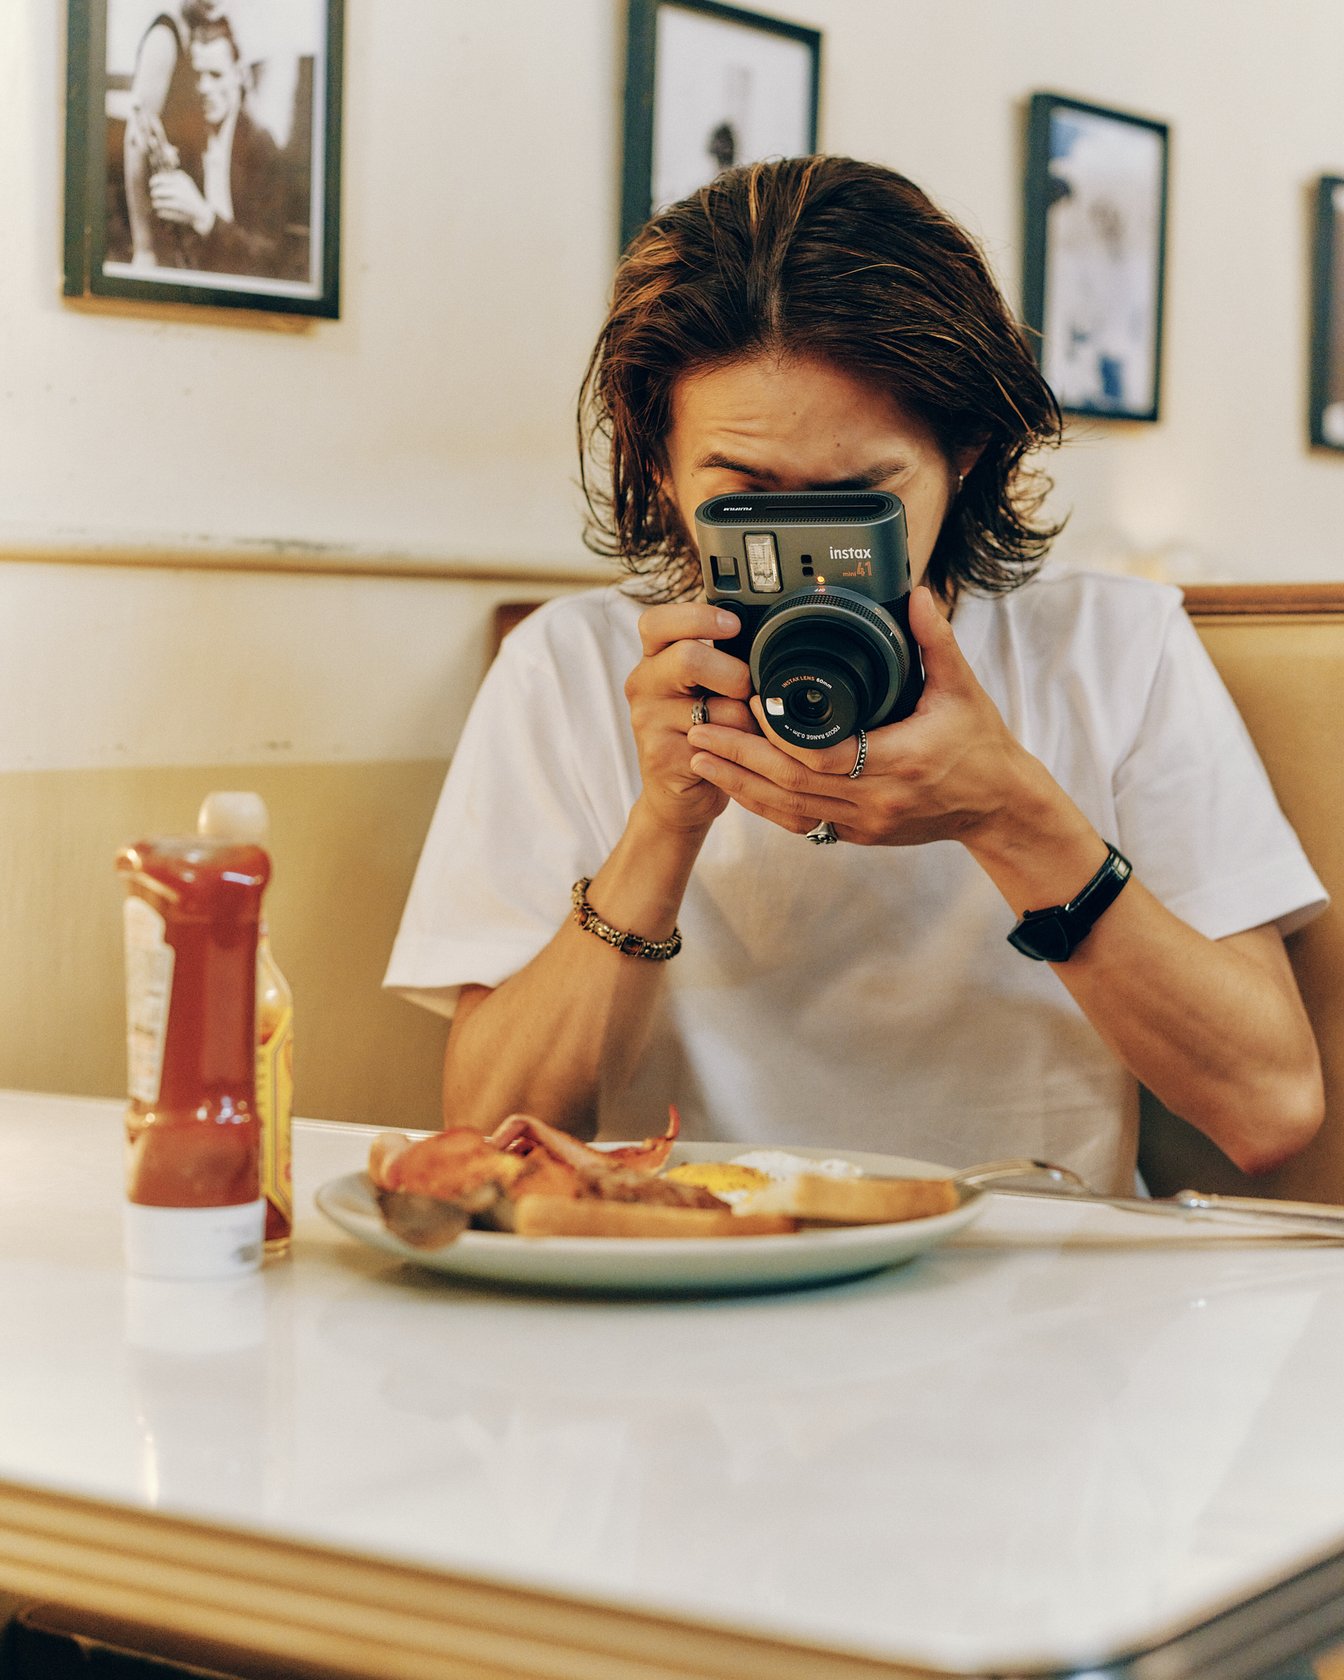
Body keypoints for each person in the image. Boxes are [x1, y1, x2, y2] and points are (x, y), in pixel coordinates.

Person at [384, 157, 1326, 1194]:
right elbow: (486, 1132)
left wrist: (1013, 816)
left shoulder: (1113, 649)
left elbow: (1270, 1106)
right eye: (747, 494)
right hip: (687, 1262)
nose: (808, 546)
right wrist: (663, 820)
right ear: (659, 462)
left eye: (861, 497)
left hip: (1036, 1288)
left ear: (966, 454)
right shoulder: (570, 670)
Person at [127, 13, 306, 280]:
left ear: (240, 76)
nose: (205, 87)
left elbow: (270, 256)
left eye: (216, 75)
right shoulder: (188, 138)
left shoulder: (263, 148)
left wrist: (203, 217)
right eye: (198, 75)